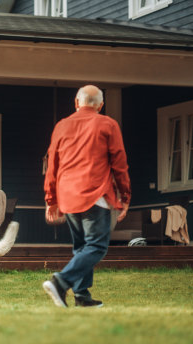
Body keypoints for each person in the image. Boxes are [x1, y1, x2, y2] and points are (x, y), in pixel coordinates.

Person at [42, 85, 131, 308]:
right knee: (96, 246)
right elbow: (119, 163)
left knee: (82, 247)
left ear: (76, 102)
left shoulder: (61, 126)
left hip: (67, 195)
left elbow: (52, 164)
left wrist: (51, 198)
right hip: (95, 193)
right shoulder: (108, 124)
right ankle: (60, 282)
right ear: (100, 105)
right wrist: (125, 196)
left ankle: (82, 296)